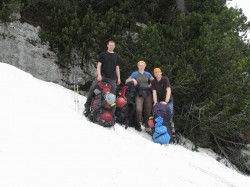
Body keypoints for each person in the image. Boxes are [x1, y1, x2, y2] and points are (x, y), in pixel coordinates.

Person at [84, 40, 121, 116]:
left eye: (113, 45)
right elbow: (99, 65)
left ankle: (111, 113)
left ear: (114, 46)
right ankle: (87, 107)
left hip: (112, 78)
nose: (111, 47)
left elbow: (117, 67)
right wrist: (99, 75)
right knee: (92, 89)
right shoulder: (103, 54)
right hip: (102, 76)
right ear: (107, 45)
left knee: (113, 95)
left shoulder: (116, 56)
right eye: (110, 45)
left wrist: (119, 78)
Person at [125, 60, 154, 132]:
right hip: (139, 93)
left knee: (148, 109)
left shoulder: (148, 74)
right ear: (138, 66)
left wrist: (150, 85)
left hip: (147, 93)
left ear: (145, 66)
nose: (141, 67)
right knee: (139, 109)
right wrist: (133, 79)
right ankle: (139, 123)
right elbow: (126, 81)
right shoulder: (135, 73)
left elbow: (154, 81)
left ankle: (147, 125)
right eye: (140, 65)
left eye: (142, 65)